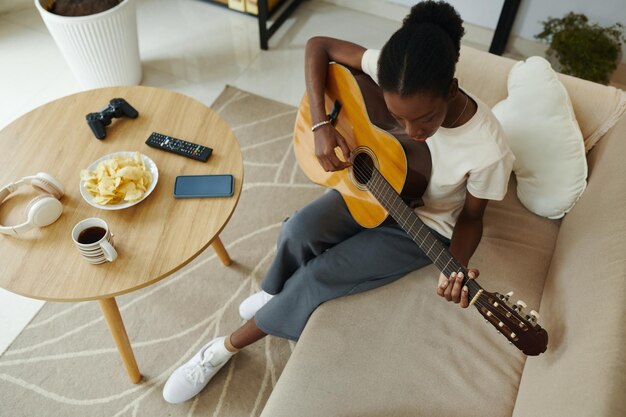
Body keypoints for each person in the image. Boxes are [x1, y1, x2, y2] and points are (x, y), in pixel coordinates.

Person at [162, 0, 514, 404]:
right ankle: (276, 293)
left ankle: (222, 349)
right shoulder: (392, 68)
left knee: (317, 278)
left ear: (451, 90)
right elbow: (318, 45)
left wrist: (454, 268)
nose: (412, 131)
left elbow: (471, 218)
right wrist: (320, 122)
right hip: (381, 184)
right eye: (400, 119)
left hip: (423, 226)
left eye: (426, 120)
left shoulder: (489, 148)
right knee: (296, 229)